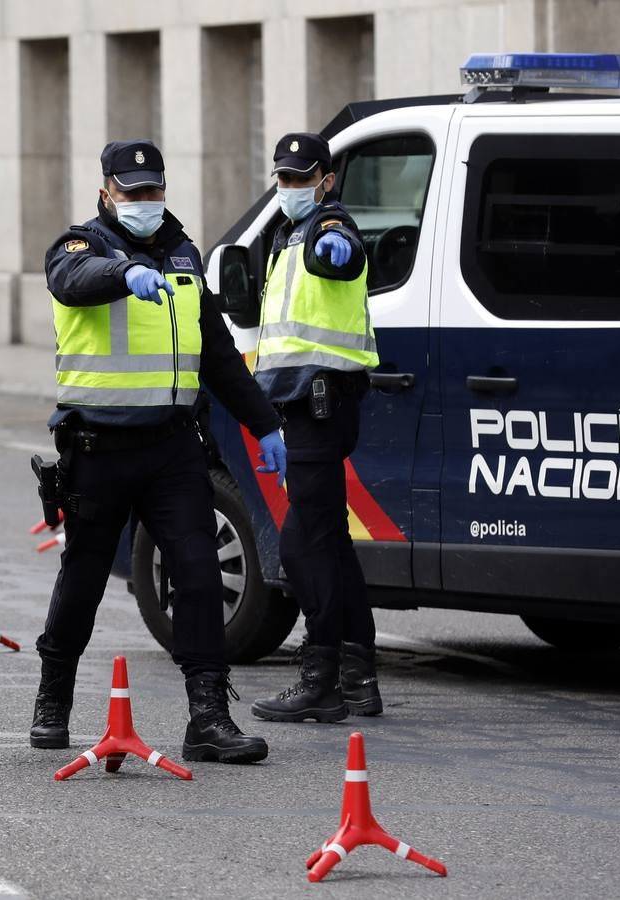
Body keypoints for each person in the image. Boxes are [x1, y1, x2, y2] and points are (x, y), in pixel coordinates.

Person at [32, 140, 287, 764]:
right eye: (131, 191)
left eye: (153, 190)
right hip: (99, 449)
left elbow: (219, 357)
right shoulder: (79, 247)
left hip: (172, 448)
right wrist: (124, 272)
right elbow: (73, 283)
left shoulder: (182, 255)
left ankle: (208, 716)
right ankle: (53, 697)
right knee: (83, 580)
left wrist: (266, 424)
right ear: (105, 193)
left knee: (199, 577)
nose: (144, 201)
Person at [249, 132, 382, 724]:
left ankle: (321, 675)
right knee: (326, 540)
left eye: (302, 178)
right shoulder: (285, 234)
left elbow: (347, 251)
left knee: (303, 543)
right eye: (283, 178)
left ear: (327, 180)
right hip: (301, 406)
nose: (290, 187)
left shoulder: (330, 227)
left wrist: (337, 251)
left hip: (322, 405)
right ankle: (358, 677)